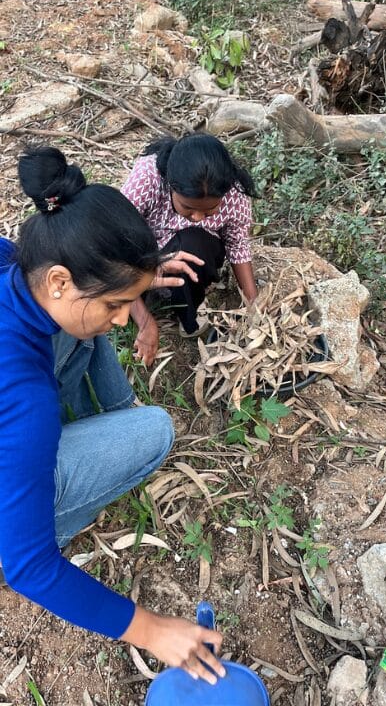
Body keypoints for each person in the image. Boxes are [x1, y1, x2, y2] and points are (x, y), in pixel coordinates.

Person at [0, 146, 226, 685]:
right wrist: (151, 630)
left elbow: (85, 306)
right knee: (155, 431)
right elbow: (30, 568)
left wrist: (135, 276)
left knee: (80, 331)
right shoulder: (26, 402)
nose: (125, 320)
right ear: (59, 279)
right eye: (115, 304)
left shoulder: (14, 259)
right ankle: (69, 483)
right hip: (14, 489)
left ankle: (112, 415)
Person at [122, 133, 257, 365]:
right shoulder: (149, 178)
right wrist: (144, 322)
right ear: (171, 185)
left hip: (196, 260)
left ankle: (189, 318)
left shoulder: (233, 192)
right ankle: (141, 301)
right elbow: (114, 243)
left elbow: (237, 245)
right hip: (143, 263)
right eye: (187, 207)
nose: (196, 217)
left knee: (192, 242)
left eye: (209, 211)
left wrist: (254, 304)